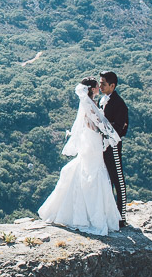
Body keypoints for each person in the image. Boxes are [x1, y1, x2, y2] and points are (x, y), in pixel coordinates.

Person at [38, 77, 122, 236]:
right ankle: (90, 217)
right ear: (91, 89)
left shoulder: (89, 103)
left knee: (86, 170)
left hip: (90, 140)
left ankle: (80, 213)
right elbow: (95, 123)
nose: (99, 87)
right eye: (97, 85)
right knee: (93, 172)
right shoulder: (89, 104)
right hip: (92, 141)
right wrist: (108, 134)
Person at [98, 71, 129, 229]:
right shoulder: (102, 100)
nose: (100, 86)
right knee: (107, 179)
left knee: (118, 180)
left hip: (113, 146)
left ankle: (122, 217)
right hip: (103, 145)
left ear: (112, 85)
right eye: (100, 82)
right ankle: (110, 214)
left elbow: (121, 128)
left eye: (103, 83)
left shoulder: (120, 104)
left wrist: (106, 134)